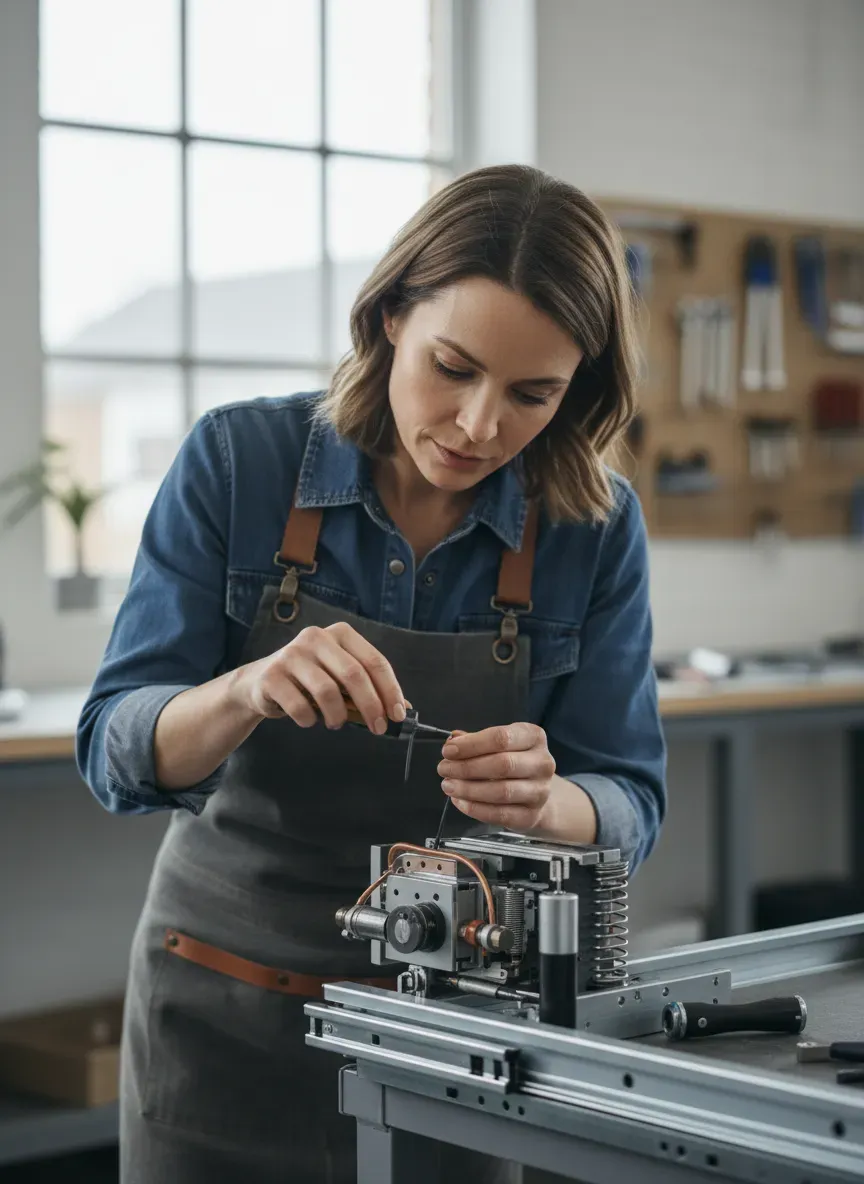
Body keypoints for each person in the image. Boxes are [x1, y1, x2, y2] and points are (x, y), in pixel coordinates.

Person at [77, 163, 666, 1184]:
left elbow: (632, 800)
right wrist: (242, 689)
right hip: (219, 1021)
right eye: (453, 366)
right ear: (392, 313)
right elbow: (113, 749)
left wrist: (552, 800)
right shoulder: (237, 460)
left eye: (534, 393)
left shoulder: (593, 527)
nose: (481, 425)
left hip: (455, 1042)